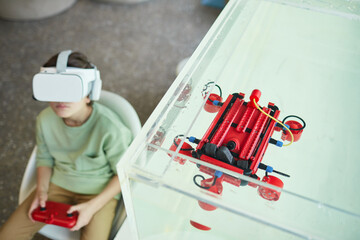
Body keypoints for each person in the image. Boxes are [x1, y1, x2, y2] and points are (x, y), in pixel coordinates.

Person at [0, 51, 132, 240]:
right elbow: (44, 157)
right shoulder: (45, 119)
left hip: (99, 192)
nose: (61, 99)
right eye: (54, 89)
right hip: (58, 184)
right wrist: (41, 191)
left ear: (89, 94)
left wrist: (92, 207)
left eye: (69, 90)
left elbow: (124, 173)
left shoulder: (111, 128)